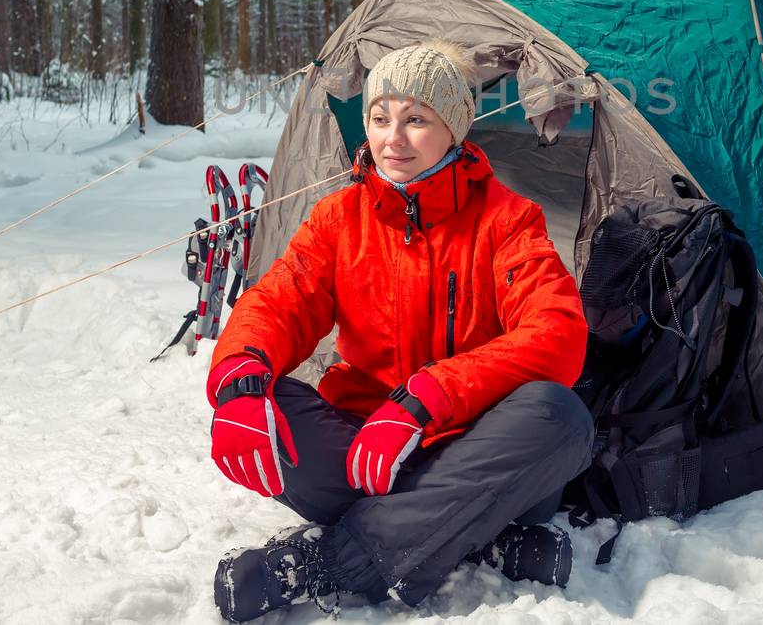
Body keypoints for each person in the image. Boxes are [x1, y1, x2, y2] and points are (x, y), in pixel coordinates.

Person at [205, 40, 595, 621]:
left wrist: (428, 398)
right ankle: (470, 532)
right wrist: (238, 379)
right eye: (381, 118)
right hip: (366, 447)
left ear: (455, 128)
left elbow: (557, 331)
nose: (393, 138)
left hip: (475, 443)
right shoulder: (340, 219)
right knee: (266, 402)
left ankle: (333, 563)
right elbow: (279, 300)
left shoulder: (507, 218)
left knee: (557, 415)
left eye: (416, 119)